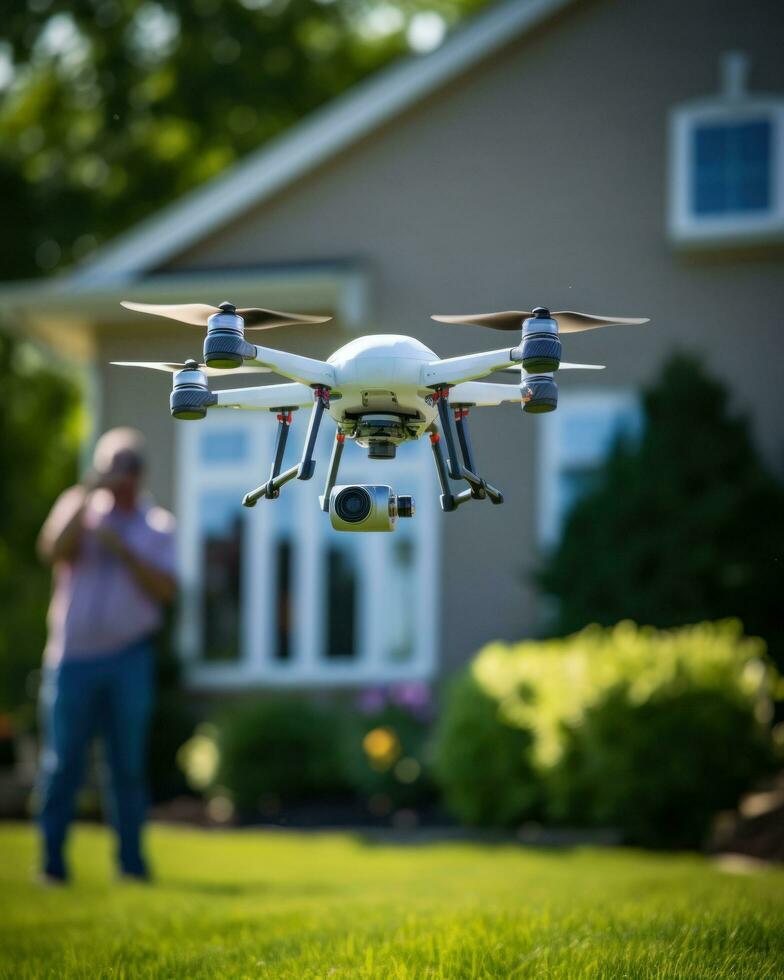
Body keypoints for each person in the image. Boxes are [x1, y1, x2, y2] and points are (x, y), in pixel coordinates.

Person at [36, 427, 176, 884]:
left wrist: (126, 552)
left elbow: (168, 591)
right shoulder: (78, 509)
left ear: (140, 474)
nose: (122, 478)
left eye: (129, 468)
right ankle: (52, 866)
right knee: (62, 765)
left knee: (126, 766)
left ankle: (131, 867)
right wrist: (89, 495)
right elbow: (52, 549)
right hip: (71, 659)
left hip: (128, 660)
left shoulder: (156, 526)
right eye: (114, 467)